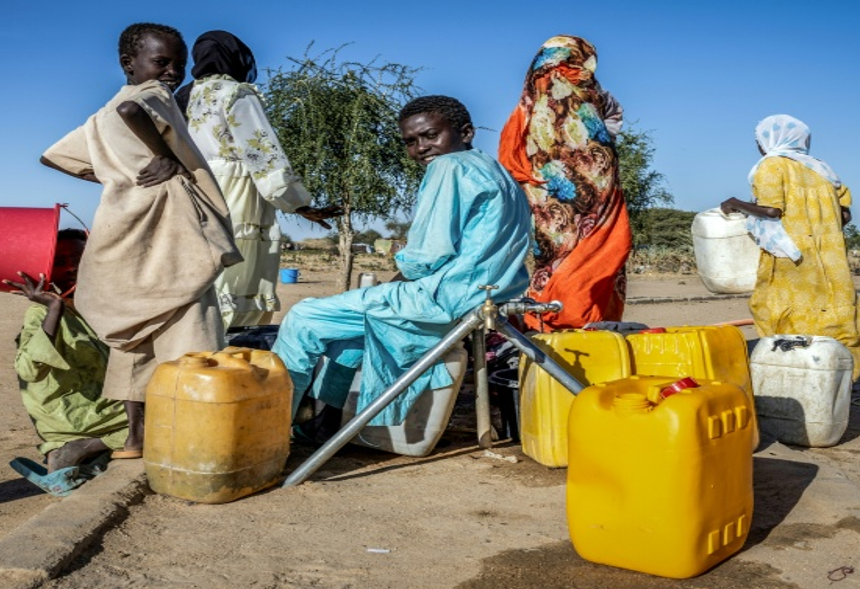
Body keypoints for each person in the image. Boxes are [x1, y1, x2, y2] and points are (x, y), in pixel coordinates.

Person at [272, 95, 531, 440]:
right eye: (411, 141)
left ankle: (270, 429)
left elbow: (428, 254)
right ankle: (320, 427)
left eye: (430, 135)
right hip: (481, 297)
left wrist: (386, 288)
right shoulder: (497, 172)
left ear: (465, 132)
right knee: (345, 341)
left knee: (304, 317)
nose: (422, 148)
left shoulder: (449, 167)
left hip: (442, 298)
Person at [40, 23, 242, 458]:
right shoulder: (151, 97)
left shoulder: (99, 117)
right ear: (128, 63)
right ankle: (194, 440)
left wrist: (116, 178)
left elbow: (53, 155)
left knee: (136, 337)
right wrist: (165, 156)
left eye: (178, 64)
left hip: (124, 230)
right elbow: (136, 113)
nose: (171, 73)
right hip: (170, 230)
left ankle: (136, 440)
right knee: (193, 320)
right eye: (161, 61)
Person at [177, 30, 341, 329]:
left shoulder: (184, 97)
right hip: (235, 191)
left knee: (206, 273)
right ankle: (232, 349)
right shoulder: (236, 93)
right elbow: (263, 155)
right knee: (241, 266)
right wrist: (299, 205)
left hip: (195, 189)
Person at [720, 115, 860, 378]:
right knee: (834, 309)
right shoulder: (823, 170)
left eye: (759, 140)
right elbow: (845, 216)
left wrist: (734, 203)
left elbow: (771, 210)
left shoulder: (772, 165)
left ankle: (798, 374)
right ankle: (834, 372)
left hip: (790, 256)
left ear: (768, 141)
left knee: (779, 307)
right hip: (829, 257)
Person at [498, 35, 632, 331]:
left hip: (595, 198)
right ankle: (554, 322)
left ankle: (580, 324)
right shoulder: (530, 107)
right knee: (556, 257)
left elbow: (609, 130)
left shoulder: (592, 97)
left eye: (571, 64)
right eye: (553, 67)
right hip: (547, 201)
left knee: (595, 257)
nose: (560, 74)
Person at [4, 230, 128, 473]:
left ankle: (97, 449)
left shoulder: (95, 306)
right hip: (72, 415)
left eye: (80, 259)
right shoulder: (41, 314)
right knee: (166, 423)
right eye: (60, 263)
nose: (72, 268)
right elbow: (29, 369)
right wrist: (53, 309)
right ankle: (78, 447)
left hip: (104, 406)